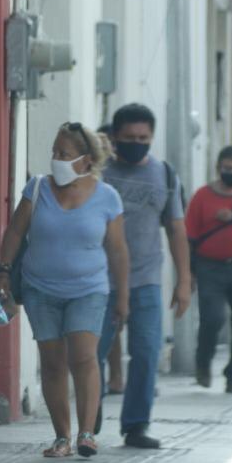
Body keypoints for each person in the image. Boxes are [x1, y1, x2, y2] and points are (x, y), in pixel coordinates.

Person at [0, 123, 129, 458]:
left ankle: (87, 433)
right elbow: (14, 232)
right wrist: (4, 271)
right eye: (54, 152)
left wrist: (123, 296)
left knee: (83, 357)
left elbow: (118, 251)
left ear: (85, 161)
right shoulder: (37, 188)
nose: (56, 159)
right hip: (41, 289)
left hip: (89, 289)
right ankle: (61, 437)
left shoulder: (107, 197)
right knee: (52, 363)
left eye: (64, 154)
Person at [97, 104, 192, 449]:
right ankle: (88, 421)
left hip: (147, 279)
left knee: (147, 352)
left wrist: (183, 281)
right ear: (114, 138)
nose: (137, 143)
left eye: (143, 138)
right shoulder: (98, 172)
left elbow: (177, 230)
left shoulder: (164, 174)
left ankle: (136, 424)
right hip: (99, 280)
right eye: (129, 138)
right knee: (92, 354)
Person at [184, 145, 232, 394]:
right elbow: (189, 236)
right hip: (210, 267)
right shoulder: (202, 196)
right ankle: (203, 361)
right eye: (228, 168)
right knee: (213, 318)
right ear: (218, 167)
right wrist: (188, 273)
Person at [98, 123, 125, 396]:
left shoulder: (115, 185)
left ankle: (116, 375)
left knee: (116, 326)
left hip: (120, 265)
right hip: (95, 270)